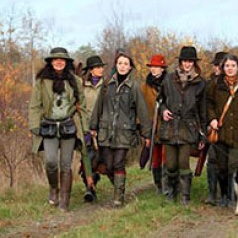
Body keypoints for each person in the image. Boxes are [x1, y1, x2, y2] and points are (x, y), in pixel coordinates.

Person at [29, 47, 93, 212]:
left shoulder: (75, 81)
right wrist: (34, 125)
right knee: (50, 161)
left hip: (68, 126)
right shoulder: (41, 82)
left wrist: (84, 127)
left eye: (62, 59)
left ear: (66, 62)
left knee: (66, 164)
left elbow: (82, 106)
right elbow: (35, 106)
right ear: (51, 62)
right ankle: (53, 188)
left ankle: (65, 201)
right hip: (48, 126)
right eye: (55, 59)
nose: (58, 62)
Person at [90, 51, 151, 207]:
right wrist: (93, 126)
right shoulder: (107, 85)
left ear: (130, 67)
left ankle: (118, 199)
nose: (122, 66)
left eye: (126, 63)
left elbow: (142, 110)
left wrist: (146, 133)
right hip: (106, 131)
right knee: (108, 164)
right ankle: (119, 189)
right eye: (120, 63)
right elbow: (98, 107)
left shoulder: (134, 87)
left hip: (124, 132)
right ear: (115, 65)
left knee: (118, 163)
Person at [207, 54, 238, 208]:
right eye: (227, 66)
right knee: (221, 167)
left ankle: (233, 197)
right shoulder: (215, 84)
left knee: (233, 166)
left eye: (233, 66)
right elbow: (208, 104)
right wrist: (212, 119)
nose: (230, 69)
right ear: (223, 68)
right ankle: (223, 196)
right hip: (221, 132)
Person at [159, 46, 207, 205]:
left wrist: (203, 134)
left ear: (194, 63)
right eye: (185, 61)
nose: (187, 64)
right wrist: (164, 110)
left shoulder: (200, 83)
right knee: (171, 164)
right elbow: (161, 100)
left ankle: (185, 196)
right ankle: (171, 192)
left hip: (189, 127)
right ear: (180, 62)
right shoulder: (169, 79)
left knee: (183, 163)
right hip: (170, 127)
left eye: (190, 61)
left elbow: (202, 110)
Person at [80, 55, 107, 202]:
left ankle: (118, 190)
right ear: (91, 70)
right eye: (97, 67)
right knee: (87, 159)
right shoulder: (83, 87)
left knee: (106, 159)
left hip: (104, 128)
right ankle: (90, 188)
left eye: (101, 67)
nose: (100, 69)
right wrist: (86, 127)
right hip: (87, 129)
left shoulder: (108, 85)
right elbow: (81, 108)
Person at [141, 54, 168, 195]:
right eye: (152, 67)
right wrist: (143, 128)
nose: (154, 69)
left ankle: (166, 186)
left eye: (157, 67)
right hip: (152, 128)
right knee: (155, 158)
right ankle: (158, 186)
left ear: (163, 69)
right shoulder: (144, 87)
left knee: (166, 158)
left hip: (167, 127)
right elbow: (140, 108)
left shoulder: (169, 84)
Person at [204, 51, 227, 205]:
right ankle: (212, 194)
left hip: (229, 128)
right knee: (212, 160)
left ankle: (227, 195)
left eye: (219, 65)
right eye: (215, 64)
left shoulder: (234, 83)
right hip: (212, 127)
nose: (216, 67)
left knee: (226, 162)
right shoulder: (209, 83)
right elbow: (205, 105)